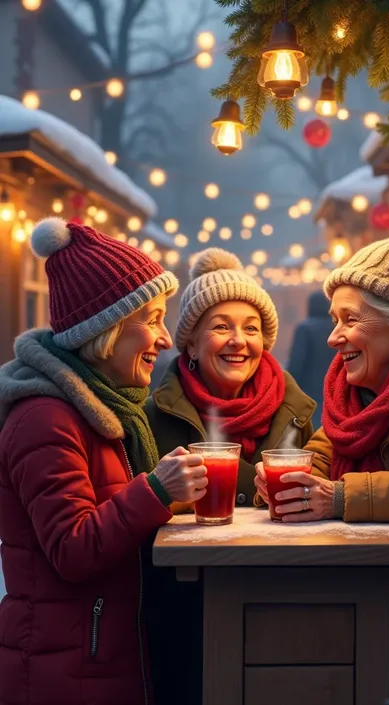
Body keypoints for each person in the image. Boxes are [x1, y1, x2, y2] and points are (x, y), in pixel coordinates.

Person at [0, 218, 208, 705]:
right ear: (108, 329)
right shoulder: (47, 418)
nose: (164, 338)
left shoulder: (106, 407)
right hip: (64, 675)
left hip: (95, 659)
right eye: (152, 319)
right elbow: (73, 548)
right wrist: (157, 490)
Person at [146, 247, 315, 705]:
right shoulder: (152, 414)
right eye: (221, 326)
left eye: (252, 328)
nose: (239, 340)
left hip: (282, 607)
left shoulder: (297, 414)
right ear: (191, 344)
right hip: (188, 615)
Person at [255, 213, 389, 523]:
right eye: (335, 320)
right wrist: (285, 483)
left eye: (351, 319)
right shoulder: (351, 394)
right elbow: (318, 462)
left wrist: (341, 498)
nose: (332, 338)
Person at [287, 289, 335, 427]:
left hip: (308, 390)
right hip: (333, 388)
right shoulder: (336, 328)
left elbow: (296, 362)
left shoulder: (305, 328)